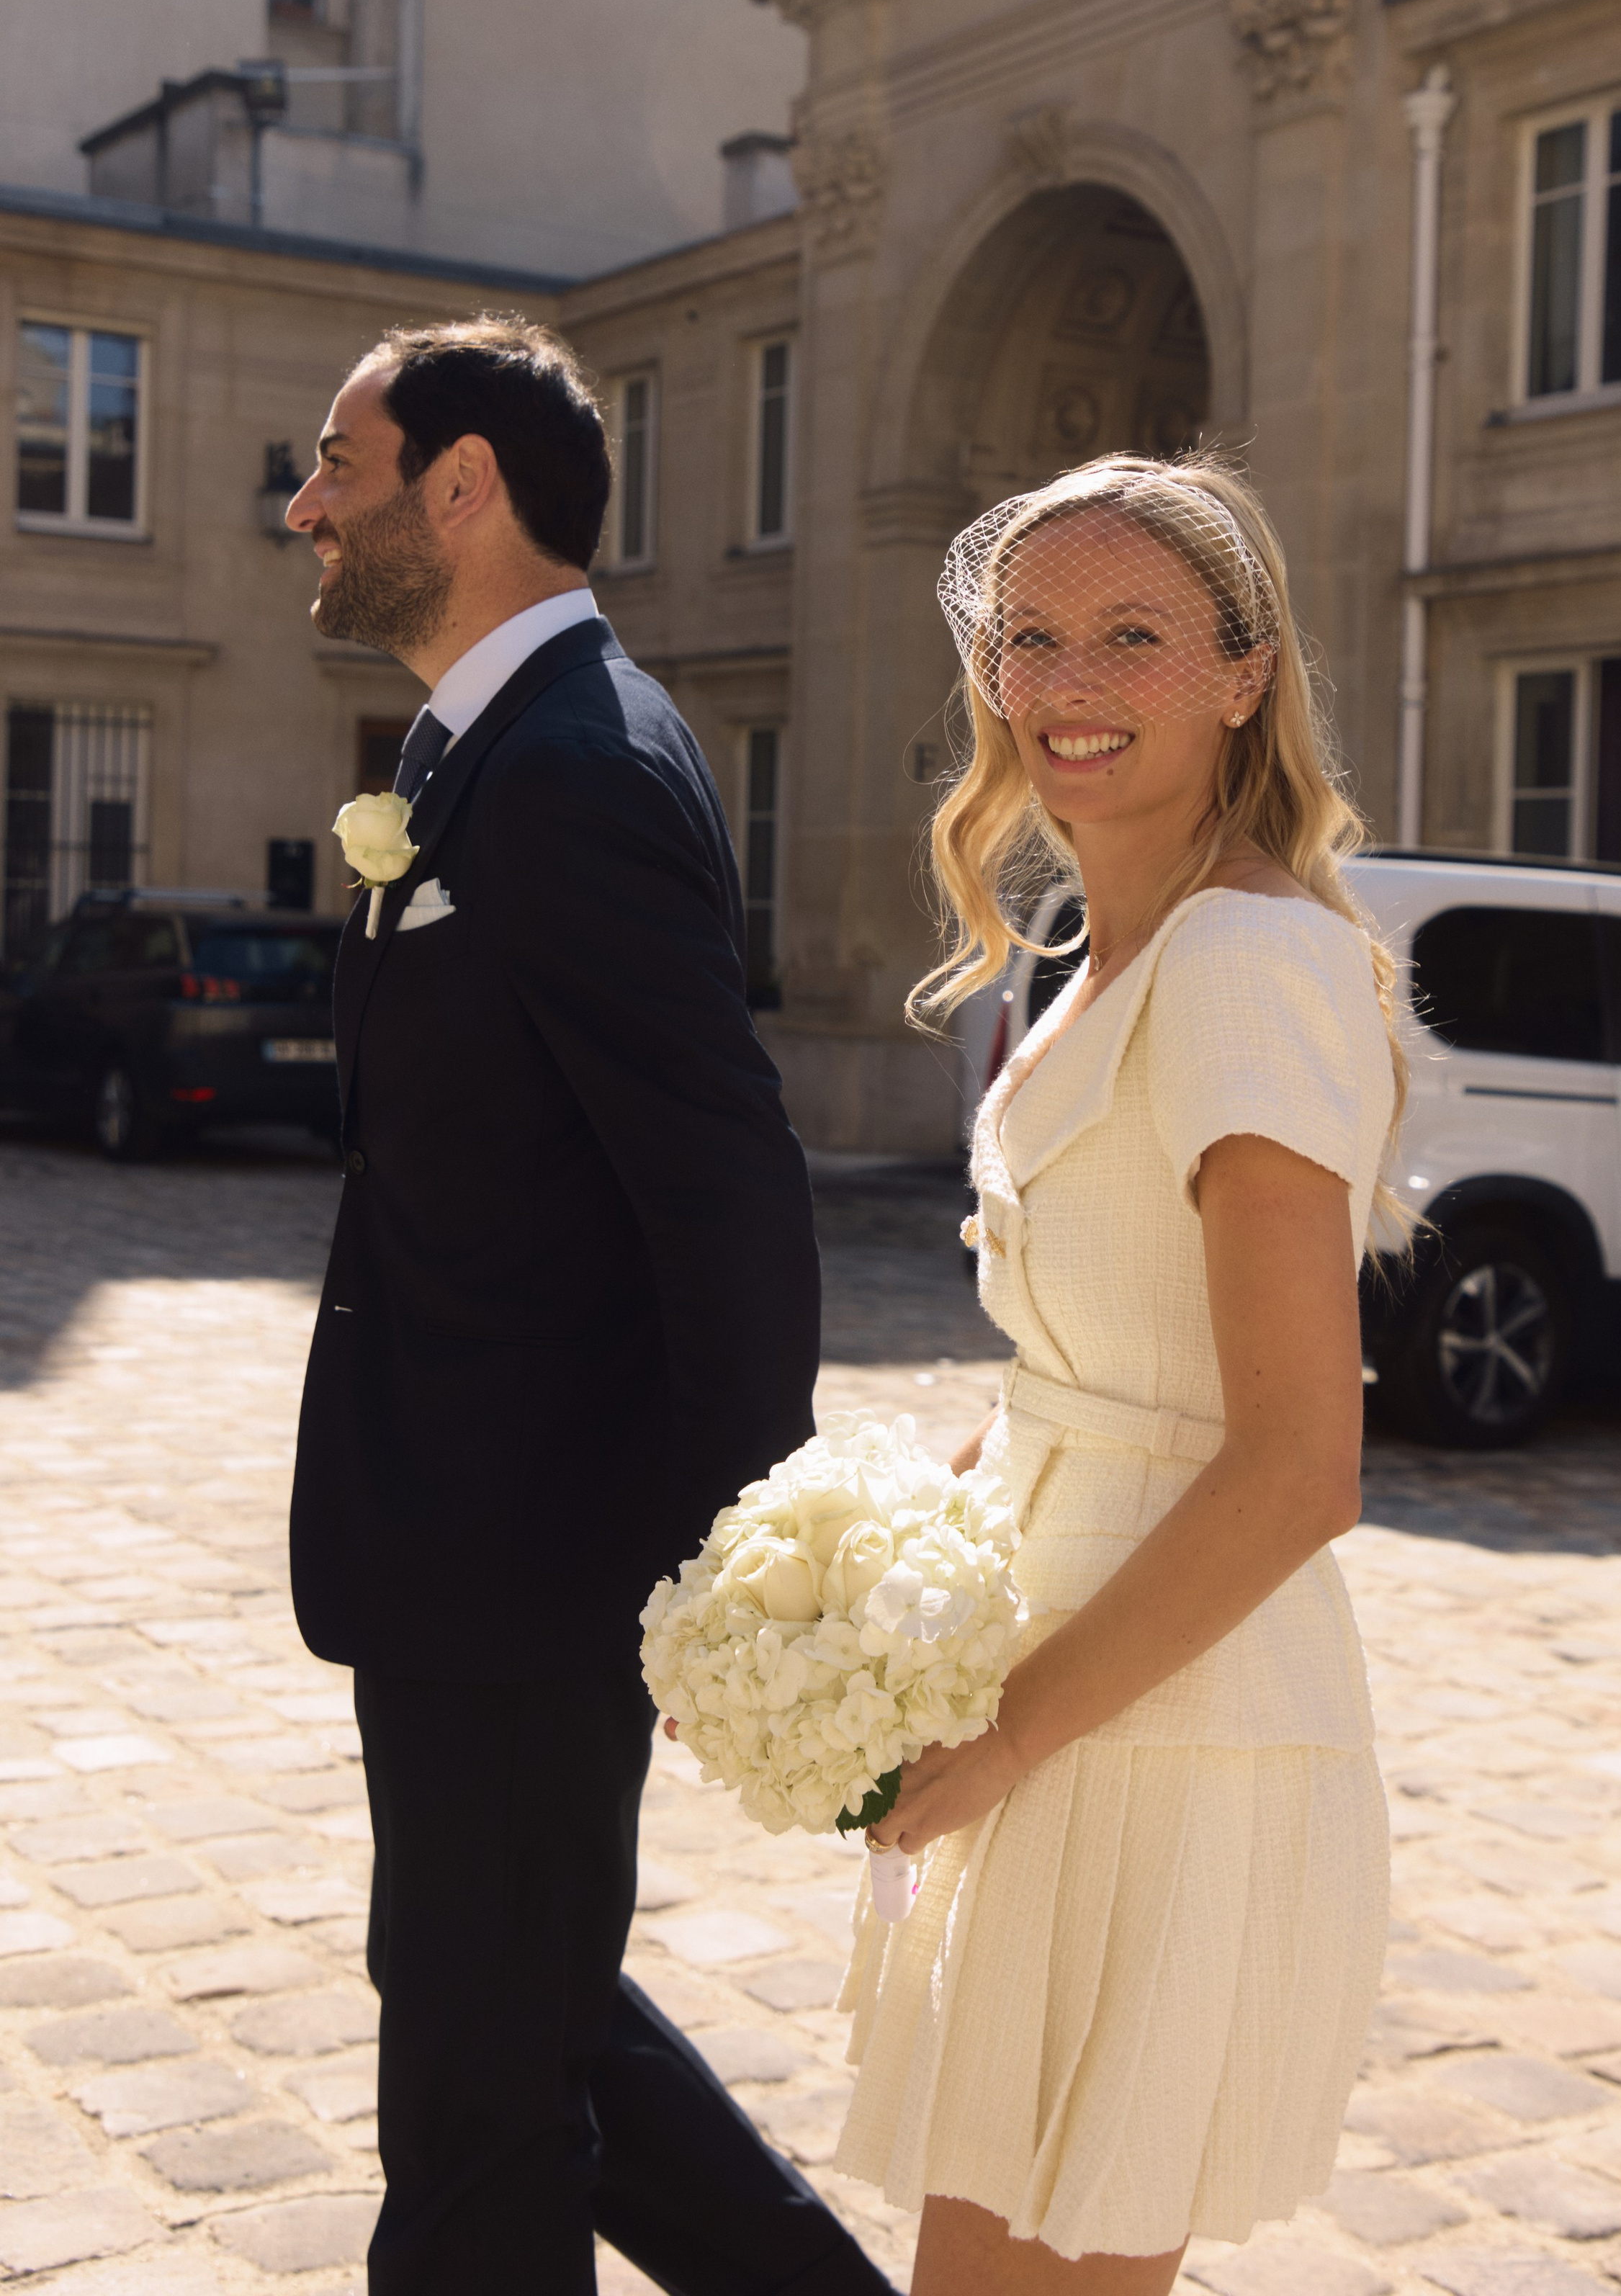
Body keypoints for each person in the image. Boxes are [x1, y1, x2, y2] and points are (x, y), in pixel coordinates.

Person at [284, 317, 892, 2296]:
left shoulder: (576, 765)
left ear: (462, 489)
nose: (304, 505)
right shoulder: (493, 746)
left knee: (478, 2098)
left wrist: (734, 1560)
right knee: (508, 2004)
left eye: (337, 466)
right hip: (465, 1540)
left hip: (533, 1554)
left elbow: (721, 1179)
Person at [833, 452, 1406, 2294]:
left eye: (1134, 637)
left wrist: (1009, 1734)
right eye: (1031, 639)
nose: (1068, 683)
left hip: (1154, 1733)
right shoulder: (1091, 963)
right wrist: (848, 1614)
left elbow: (1299, 1459)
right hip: (1055, 1694)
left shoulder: (1241, 963)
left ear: (1244, 674)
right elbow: (1079, 1372)